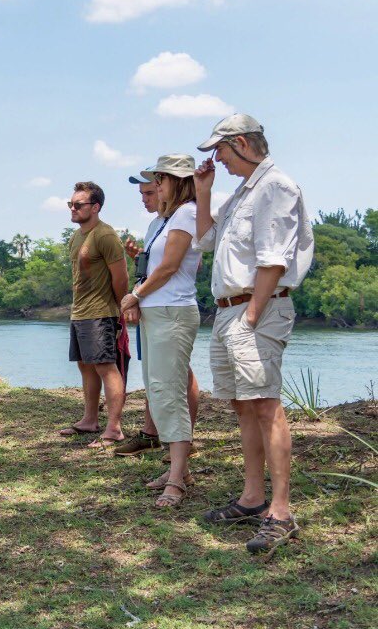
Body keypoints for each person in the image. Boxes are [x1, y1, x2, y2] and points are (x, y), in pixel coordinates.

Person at [193, 114, 314, 555]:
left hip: (254, 310)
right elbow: (205, 241)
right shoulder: (241, 194)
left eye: (219, 150)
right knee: (242, 404)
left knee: (265, 405)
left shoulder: (275, 187)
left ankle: (280, 511)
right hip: (230, 311)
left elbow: (274, 259)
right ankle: (251, 498)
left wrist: (252, 315)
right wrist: (203, 193)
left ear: (241, 142)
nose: (216, 159)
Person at [119, 155, 203, 508]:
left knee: (169, 391)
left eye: (161, 180)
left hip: (173, 311)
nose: (156, 187)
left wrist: (135, 294)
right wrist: (138, 299)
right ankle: (176, 471)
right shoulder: (162, 222)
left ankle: (178, 479)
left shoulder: (187, 213)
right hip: (155, 311)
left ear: (176, 182)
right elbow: (152, 267)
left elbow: (169, 267)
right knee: (157, 390)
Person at [59, 181, 129, 449]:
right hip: (80, 312)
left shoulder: (105, 235)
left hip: (101, 312)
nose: (73, 209)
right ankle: (90, 420)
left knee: (105, 367)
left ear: (95, 207)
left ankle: (114, 429)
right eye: (71, 205)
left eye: (78, 205)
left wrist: (118, 309)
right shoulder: (76, 236)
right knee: (85, 365)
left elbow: (120, 279)